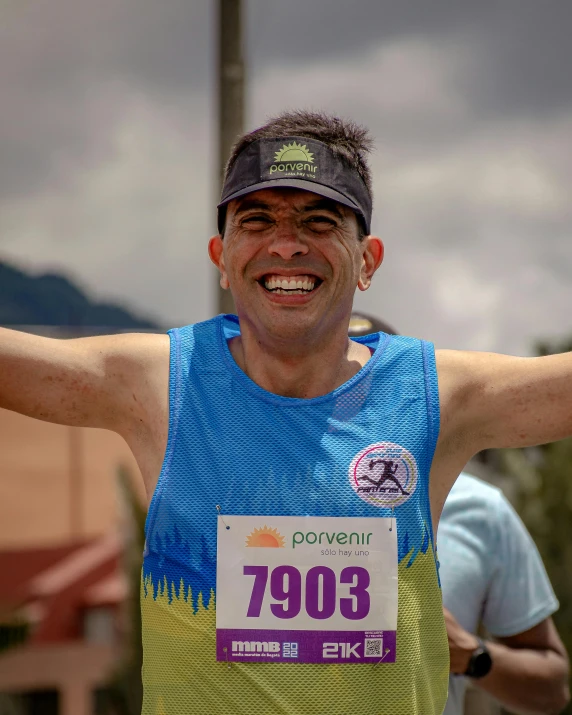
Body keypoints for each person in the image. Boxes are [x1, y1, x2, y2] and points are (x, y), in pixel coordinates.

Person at [3, 110, 572, 715]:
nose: (286, 243)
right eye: (257, 221)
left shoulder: (434, 392)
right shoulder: (159, 381)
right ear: (221, 256)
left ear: (368, 259)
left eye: (319, 221)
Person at [349, 313, 570, 714]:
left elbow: (553, 689)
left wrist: (471, 656)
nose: (351, 399)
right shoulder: (247, 501)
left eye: (374, 382)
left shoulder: (481, 509)